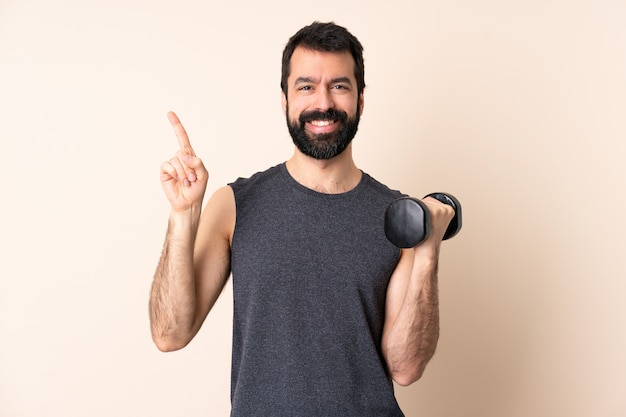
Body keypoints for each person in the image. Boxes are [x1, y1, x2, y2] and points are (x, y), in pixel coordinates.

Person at [149, 21, 454, 417]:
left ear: (361, 99)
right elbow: (169, 334)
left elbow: (407, 367)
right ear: (285, 100)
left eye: (339, 86)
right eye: (306, 86)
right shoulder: (234, 205)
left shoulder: (398, 219)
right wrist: (182, 214)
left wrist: (427, 251)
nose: (323, 103)